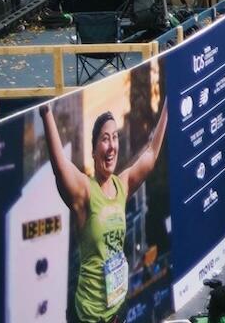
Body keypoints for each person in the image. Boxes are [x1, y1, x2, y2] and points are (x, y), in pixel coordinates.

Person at [42, 97, 172, 323]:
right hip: (89, 317)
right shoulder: (85, 191)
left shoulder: (122, 185)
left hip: (118, 309)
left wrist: (169, 107)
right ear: (93, 151)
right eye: (104, 139)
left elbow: (151, 155)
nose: (112, 146)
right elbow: (59, 165)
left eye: (115, 138)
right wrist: (46, 113)